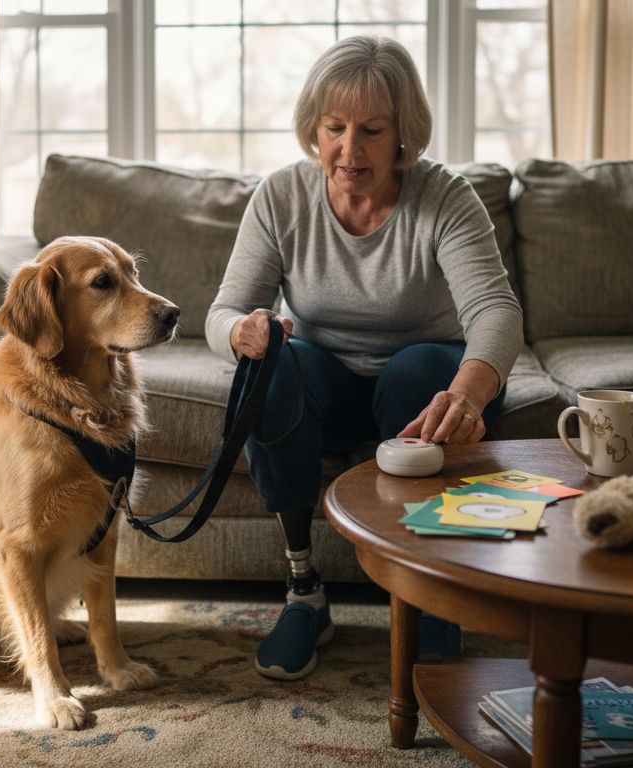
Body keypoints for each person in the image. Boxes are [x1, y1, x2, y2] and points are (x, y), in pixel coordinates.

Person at [204, 35, 524, 681]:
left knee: (416, 371)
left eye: (372, 130)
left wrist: (469, 390)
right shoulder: (281, 198)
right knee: (270, 369)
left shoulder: (445, 198)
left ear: (404, 134)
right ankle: (303, 593)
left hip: (423, 385)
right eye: (335, 128)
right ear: (314, 129)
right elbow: (222, 312)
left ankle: (427, 588)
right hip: (326, 382)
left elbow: (496, 310)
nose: (349, 149)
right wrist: (244, 331)